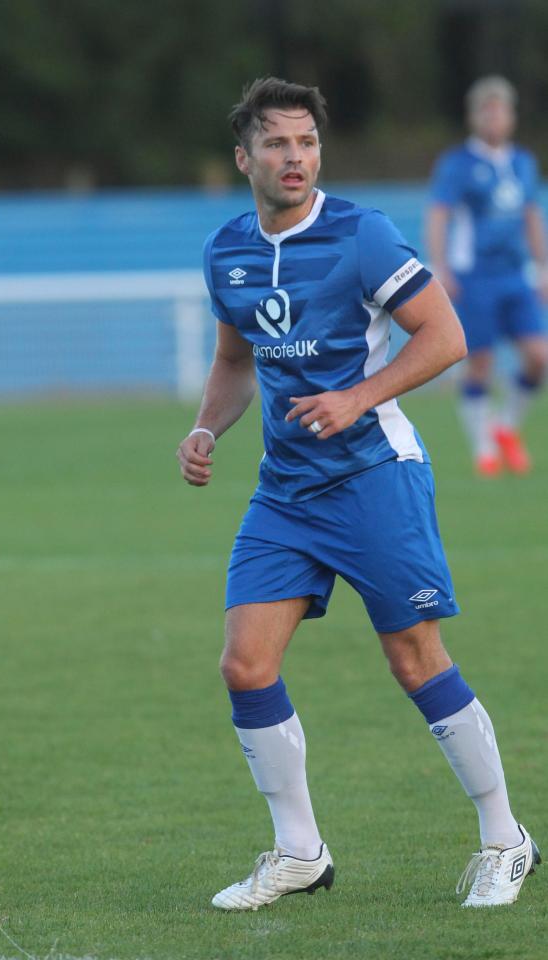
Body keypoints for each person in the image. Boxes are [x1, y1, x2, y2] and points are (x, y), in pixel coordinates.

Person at [177, 77, 540, 911]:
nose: (295, 157)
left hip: (377, 475)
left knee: (414, 658)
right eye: (277, 143)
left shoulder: (361, 235)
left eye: (306, 142)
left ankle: (506, 839)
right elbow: (236, 362)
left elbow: (444, 336)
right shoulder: (226, 251)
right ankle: (299, 852)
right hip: (286, 493)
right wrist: (204, 430)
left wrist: (357, 397)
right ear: (245, 158)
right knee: (244, 663)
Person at [426, 76, 548, 476]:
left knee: (538, 357)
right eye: (487, 110)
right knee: (481, 362)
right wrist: (441, 266)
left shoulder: (523, 163)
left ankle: (504, 427)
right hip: (475, 276)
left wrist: (543, 266)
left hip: (516, 276)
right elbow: (439, 215)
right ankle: (484, 447)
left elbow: (531, 215)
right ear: (475, 116)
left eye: (502, 110)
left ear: (512, 117)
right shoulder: (458, 164)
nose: (495, 118)